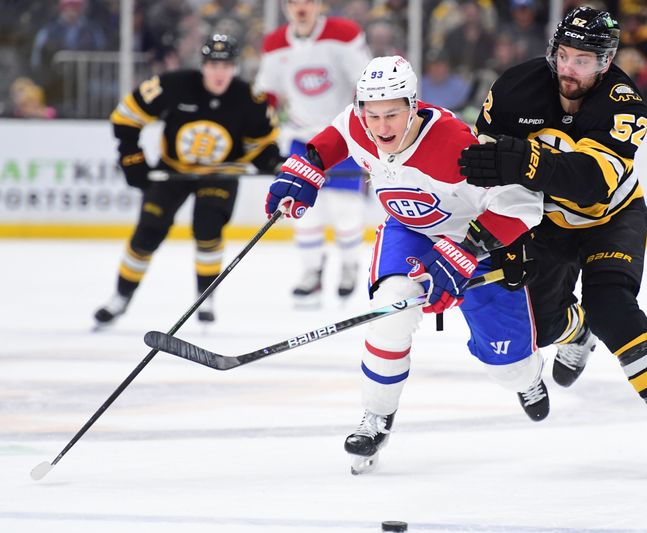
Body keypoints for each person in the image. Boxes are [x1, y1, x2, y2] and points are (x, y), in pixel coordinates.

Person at [458, 6, 647, 479]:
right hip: (545, 223)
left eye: (585, 60)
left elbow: (591, 183)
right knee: (541, 327)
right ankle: (576, 330)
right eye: (565, 56)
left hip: (610, 219)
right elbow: (484, 167)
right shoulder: (514, 87)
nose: (570, 69)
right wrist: (498, 227)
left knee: (611, 307)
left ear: (606, 61)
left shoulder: (625, 103)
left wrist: (524, 161)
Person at [265, 55, 545, 474]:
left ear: (413, 105)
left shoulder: (456, 143)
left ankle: (551, 355)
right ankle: (376, 418)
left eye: (392, 114)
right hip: (409, 230)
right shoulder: (359, 123)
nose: (381, 127)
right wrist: (306, 171)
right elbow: (335, 137)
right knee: (389, 314)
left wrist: (464, 249)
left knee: (510, 370)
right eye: (372, 114)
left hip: (477, 242)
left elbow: (523, 205)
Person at [94, 34, 282, 328]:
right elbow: (125, 116)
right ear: (203, 65)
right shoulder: (174, 85)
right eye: (213, 65)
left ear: (235, 67)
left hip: (221, 173)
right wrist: (132, 158)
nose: (219, 72)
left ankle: (205, 296)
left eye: (226, 65)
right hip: (173, 170)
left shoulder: (249, 98)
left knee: (207, 227)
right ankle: (120, 297)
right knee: (148, 232)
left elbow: (262, 143)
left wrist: (272, 161)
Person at [254, 0, 372, 307]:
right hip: (300, 139)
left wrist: (369, 131)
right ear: (285, 7)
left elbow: (366, 82)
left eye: (307, 0)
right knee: (300, 211)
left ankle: (349, 266)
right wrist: (261, 137)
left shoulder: (344, 34)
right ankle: (311, 273)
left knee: (346, 210)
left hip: (342, 137)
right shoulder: (275, 43)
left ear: (320, 4)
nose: (301, 7)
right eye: (293, 2)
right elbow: (267, 93)